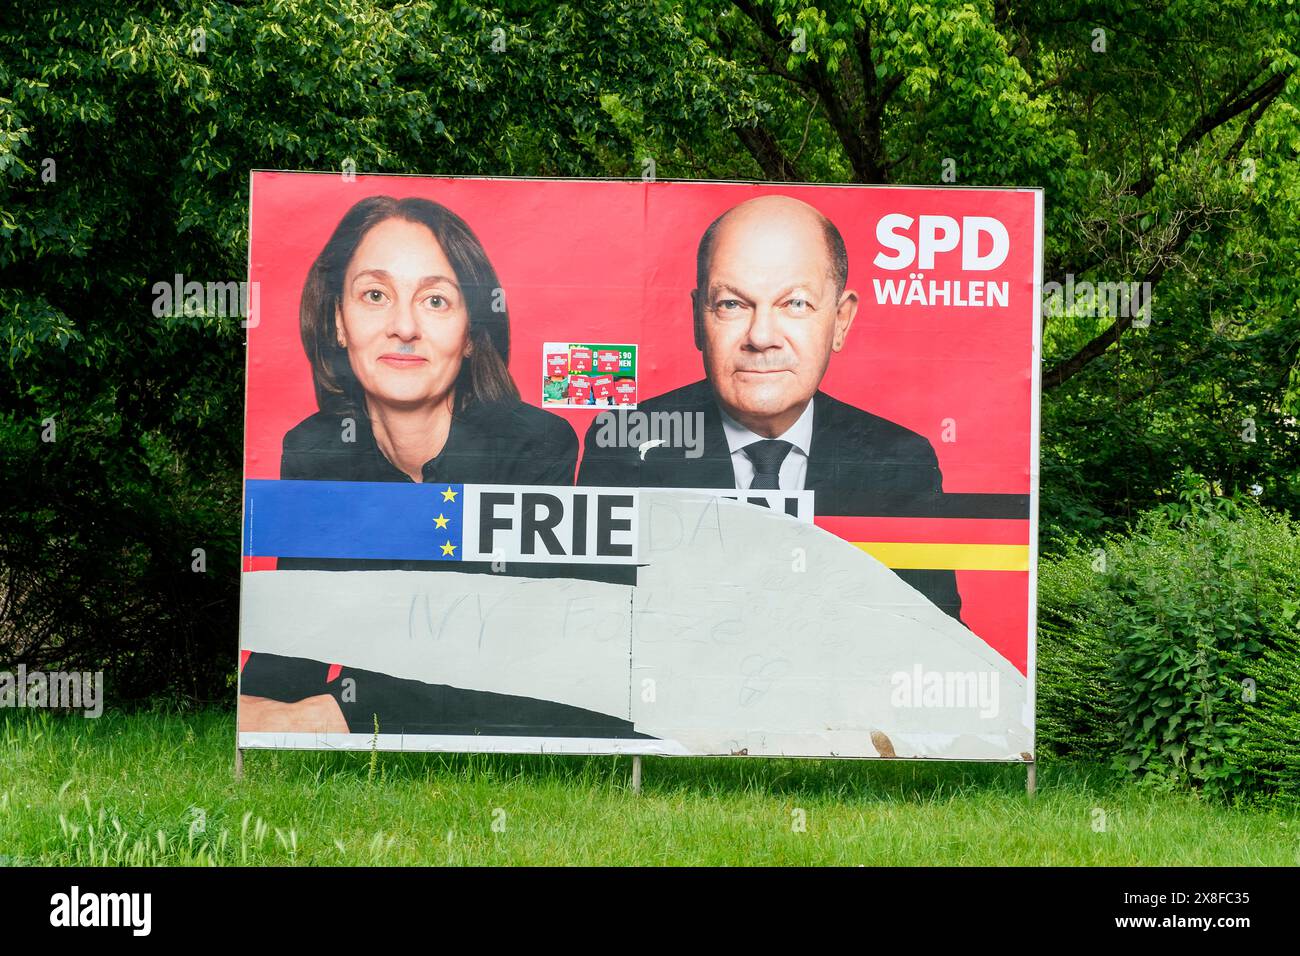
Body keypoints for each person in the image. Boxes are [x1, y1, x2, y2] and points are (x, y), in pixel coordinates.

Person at [240, 195, 645, 740]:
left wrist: (332, 715)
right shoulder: (316, 450)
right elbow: (300, 626)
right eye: (375, 295)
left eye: (435, 301)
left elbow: (507, 652)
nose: (404, 327)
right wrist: (253, 712)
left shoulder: (532, 446)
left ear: (471, 334)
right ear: (338, 321)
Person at [577, 194, 963, 621]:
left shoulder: (901, 462)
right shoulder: (626, 444)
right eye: (731, 304)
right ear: (698, 319)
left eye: (795, 304)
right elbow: (594, 627)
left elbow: (938, 639)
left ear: (840, 320)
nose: (761, 337)